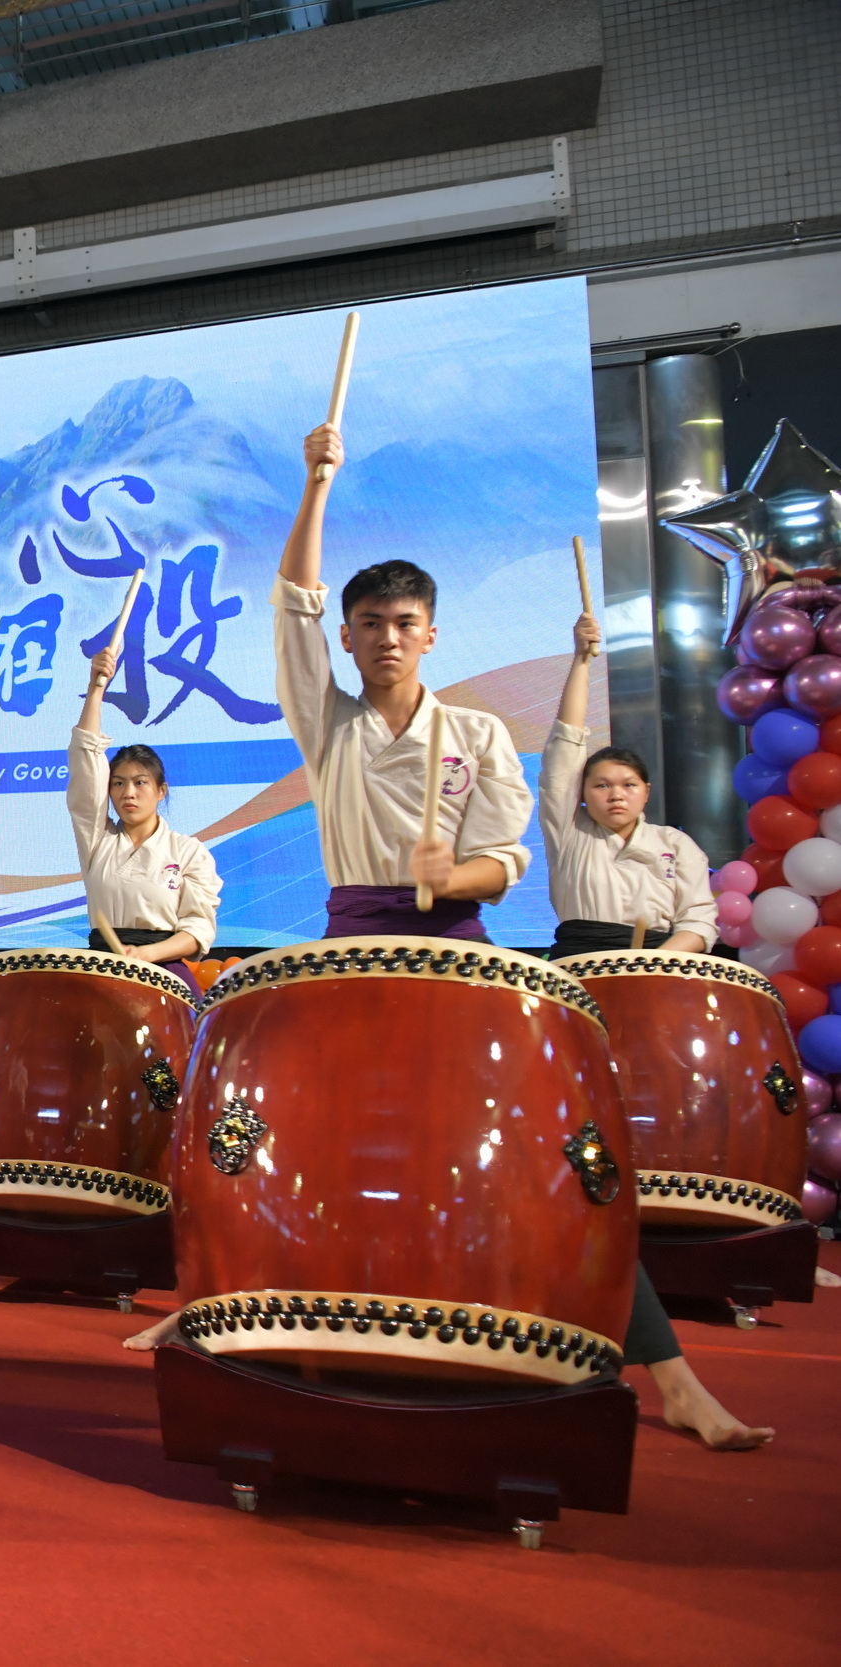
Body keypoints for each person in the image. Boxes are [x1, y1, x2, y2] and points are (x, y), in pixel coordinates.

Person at [131, 422, 772, 1452]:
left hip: (454, 950)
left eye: (405, 621)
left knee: (549, 1154)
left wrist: (454, 875)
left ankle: (672, 1375)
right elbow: (289, 603)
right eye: (369, 621)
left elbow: (507, 858)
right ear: (350, 638)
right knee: (254, 1128)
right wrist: (313, 484)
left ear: (431, 634)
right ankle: (212, 1303)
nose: (386, 635)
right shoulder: (326, 721)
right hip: (345, 951)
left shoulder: (472, 736)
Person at [542, 613, 715, 956]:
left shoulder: (676, 844)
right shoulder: (570, 832)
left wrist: (650, 965)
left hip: (657, 969)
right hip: (579, 964)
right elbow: (566, 744)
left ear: (646, 791)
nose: (616, 795)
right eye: (602, 786)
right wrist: (580, 659)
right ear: (582, 793)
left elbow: (698, 921)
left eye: (629, 785)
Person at [70, 644, 220, 978]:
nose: (128, 793)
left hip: (162, 971)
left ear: (161, 791)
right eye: (118, 784)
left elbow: (197, 932)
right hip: (102, 969)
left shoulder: (188, 851)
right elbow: (85, 767)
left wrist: (146, 953)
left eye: (140, 783)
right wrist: (96, 688)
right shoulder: (98, 842)